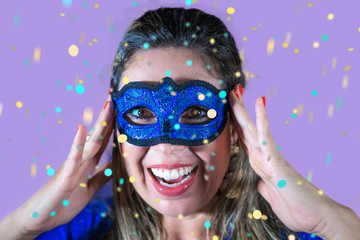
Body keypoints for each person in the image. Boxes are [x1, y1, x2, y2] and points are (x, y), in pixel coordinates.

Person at [1, 7, 359, 240]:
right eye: (140, 113)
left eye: (196, 112)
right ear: (113, 124)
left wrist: (329, 223)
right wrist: (26, 225)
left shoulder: (299, 233)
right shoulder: (80, 232)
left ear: (235, 122)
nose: (168, 148)